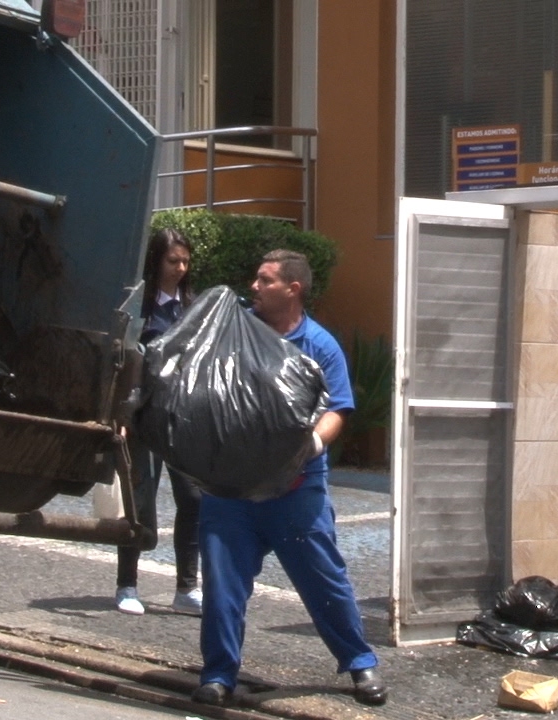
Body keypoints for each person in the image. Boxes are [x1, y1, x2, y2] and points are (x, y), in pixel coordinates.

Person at [192, 249, 386, 707]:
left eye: (265, 280)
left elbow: (338, 408)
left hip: (295, 493)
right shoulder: (235, 330)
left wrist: (312, 446)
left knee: (324, 581)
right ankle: (218, 675)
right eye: (255, 280)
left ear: (292, 290)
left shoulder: (320, 346)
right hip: (231, 489)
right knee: (222, 586)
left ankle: (360, 664)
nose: (253, 287)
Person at [114, 228, 204, 616]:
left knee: (193, 499)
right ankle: (126, 585)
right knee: (140, 500)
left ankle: (186, 587)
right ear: (156, 261)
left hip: (182, 418)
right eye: (173, 261)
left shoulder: (192, 306)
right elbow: (123, 360)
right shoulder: (140, 307)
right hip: (144, 416)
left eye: (185, 261)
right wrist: (120, 415)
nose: (180, 269)